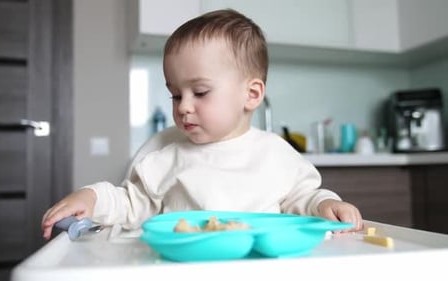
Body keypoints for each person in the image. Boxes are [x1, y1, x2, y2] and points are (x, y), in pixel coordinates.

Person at [42, 9, 363, 240]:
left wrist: (326, 204)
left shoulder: (276, 154)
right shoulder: (165, 153)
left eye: (200, 92)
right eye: (175, 95)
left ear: (251, 94)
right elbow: (130, 203)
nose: (183, 106)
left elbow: (301, 199)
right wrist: (92, 198)